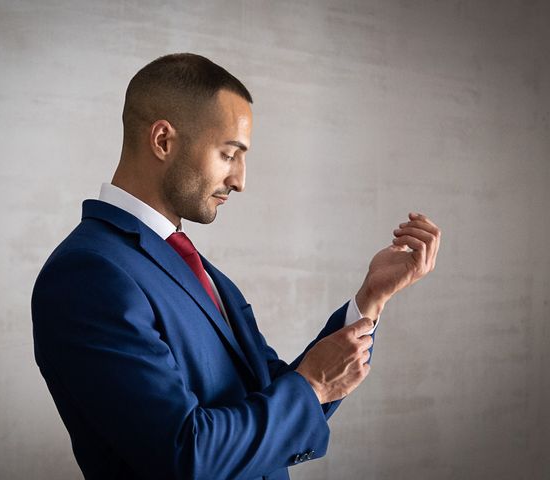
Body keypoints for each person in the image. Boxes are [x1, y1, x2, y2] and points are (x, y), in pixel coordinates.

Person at [31, 53, 441, 480]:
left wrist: (371, 299)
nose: (240, 180)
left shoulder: (197, 269)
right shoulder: (88, 274)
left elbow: (279, 393)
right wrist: (313, 383)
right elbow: (184, 453)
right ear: (163, 141)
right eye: (229, 154)